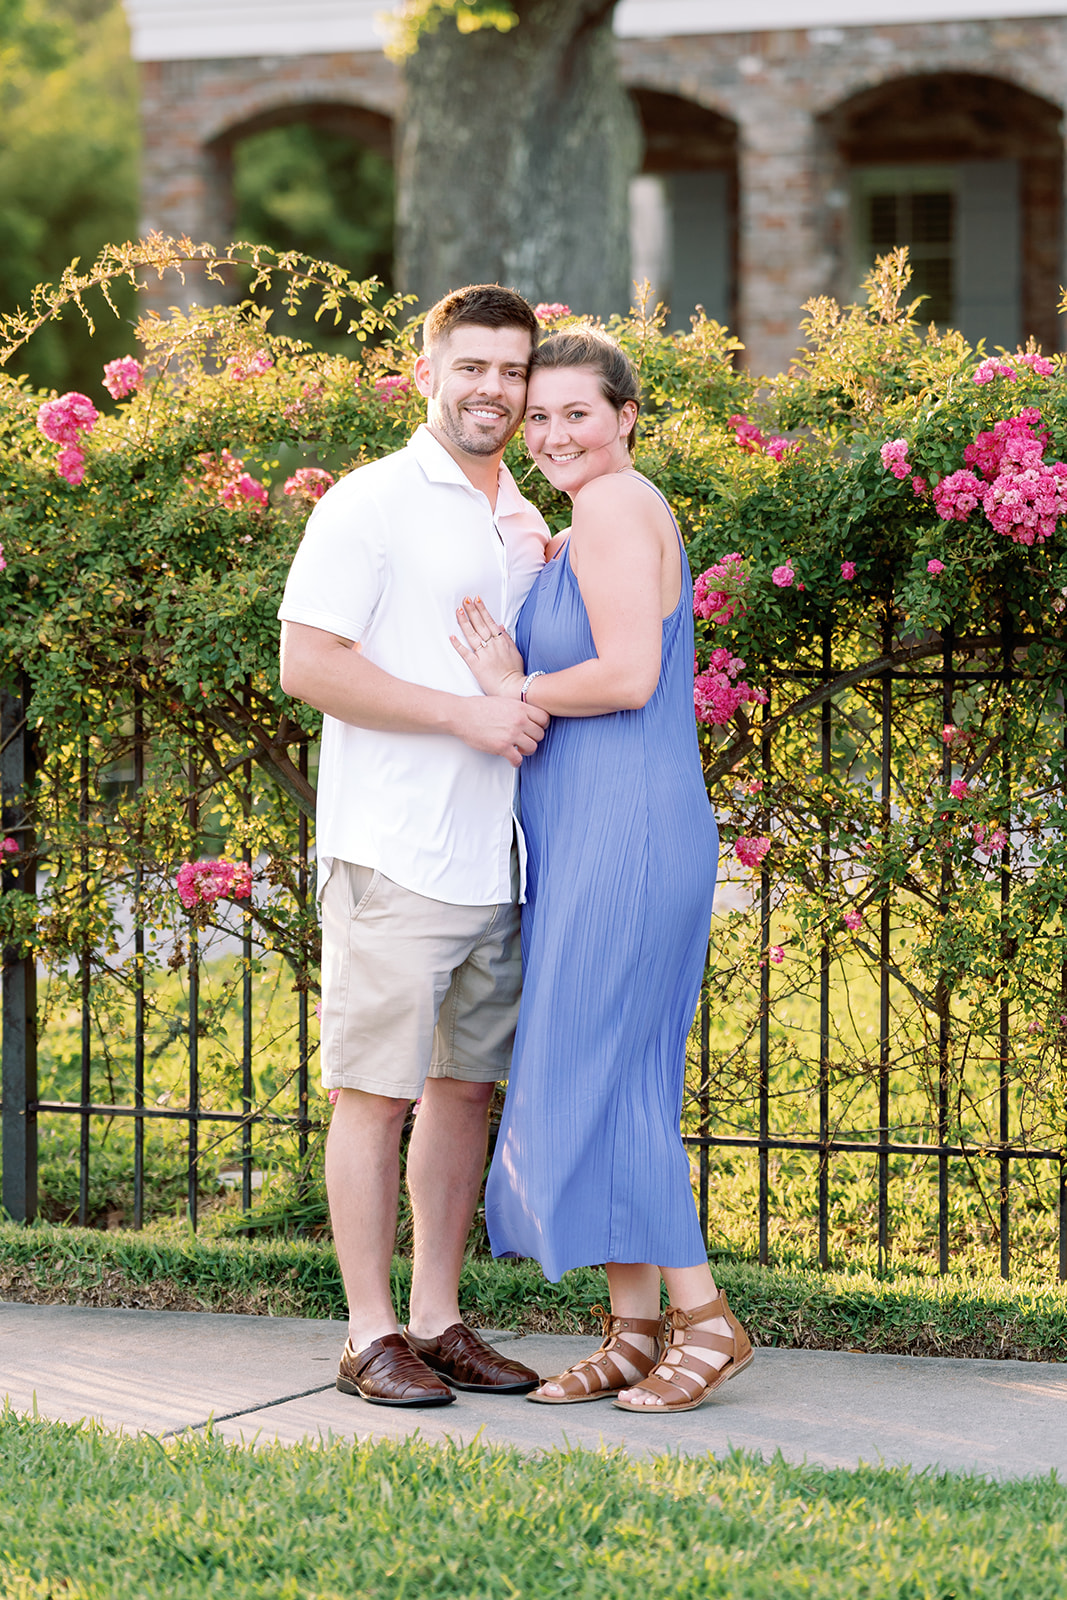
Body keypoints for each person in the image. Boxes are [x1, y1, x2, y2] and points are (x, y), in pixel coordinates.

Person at [450, 327, 753, 1413]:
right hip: (589, 837)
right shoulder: (584, 523)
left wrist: (512, 682)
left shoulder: (620, 504)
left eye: (575, 412)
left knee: (613, 1076)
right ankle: (631, 1328)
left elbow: (625, 674)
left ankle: (703, 1318)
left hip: (626, 830)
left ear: (625, 416)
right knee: (601, 1072)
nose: (552, 433)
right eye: (537, 416)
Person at [278, 284, 550, 1408]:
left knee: (461, 1093)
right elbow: (309, 664)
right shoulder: (369, 503)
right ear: (426, 369)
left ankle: (436, 1319)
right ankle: (367, 1331)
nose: (493, 387)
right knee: (374, 1096)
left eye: (512, 369)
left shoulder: (520, 516)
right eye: (472, 366)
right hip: (393, 851)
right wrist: (464, 715)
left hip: (497, 857)